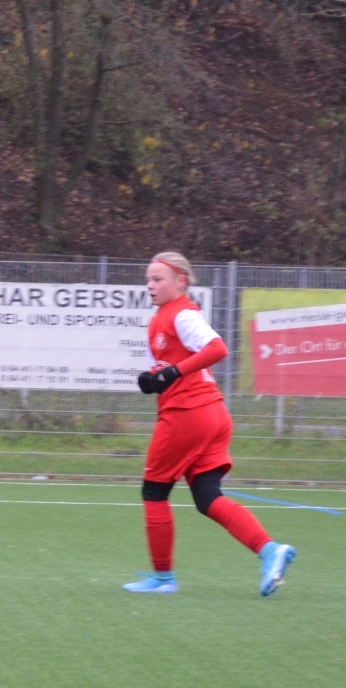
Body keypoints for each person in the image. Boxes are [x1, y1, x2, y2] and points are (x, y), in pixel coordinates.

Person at [125, 251, 295, 597]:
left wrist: (172, 373)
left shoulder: (182, 314)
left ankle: (163, 579)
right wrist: (154, 378)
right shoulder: (164, 317)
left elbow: (217, 349)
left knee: (154, 492)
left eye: (157, 279)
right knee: (207, 497)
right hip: (212, 414)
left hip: (187, 416)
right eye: (148, 279)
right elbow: (173, 366)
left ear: (181, 281)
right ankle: (270, 550)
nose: (150, 285)